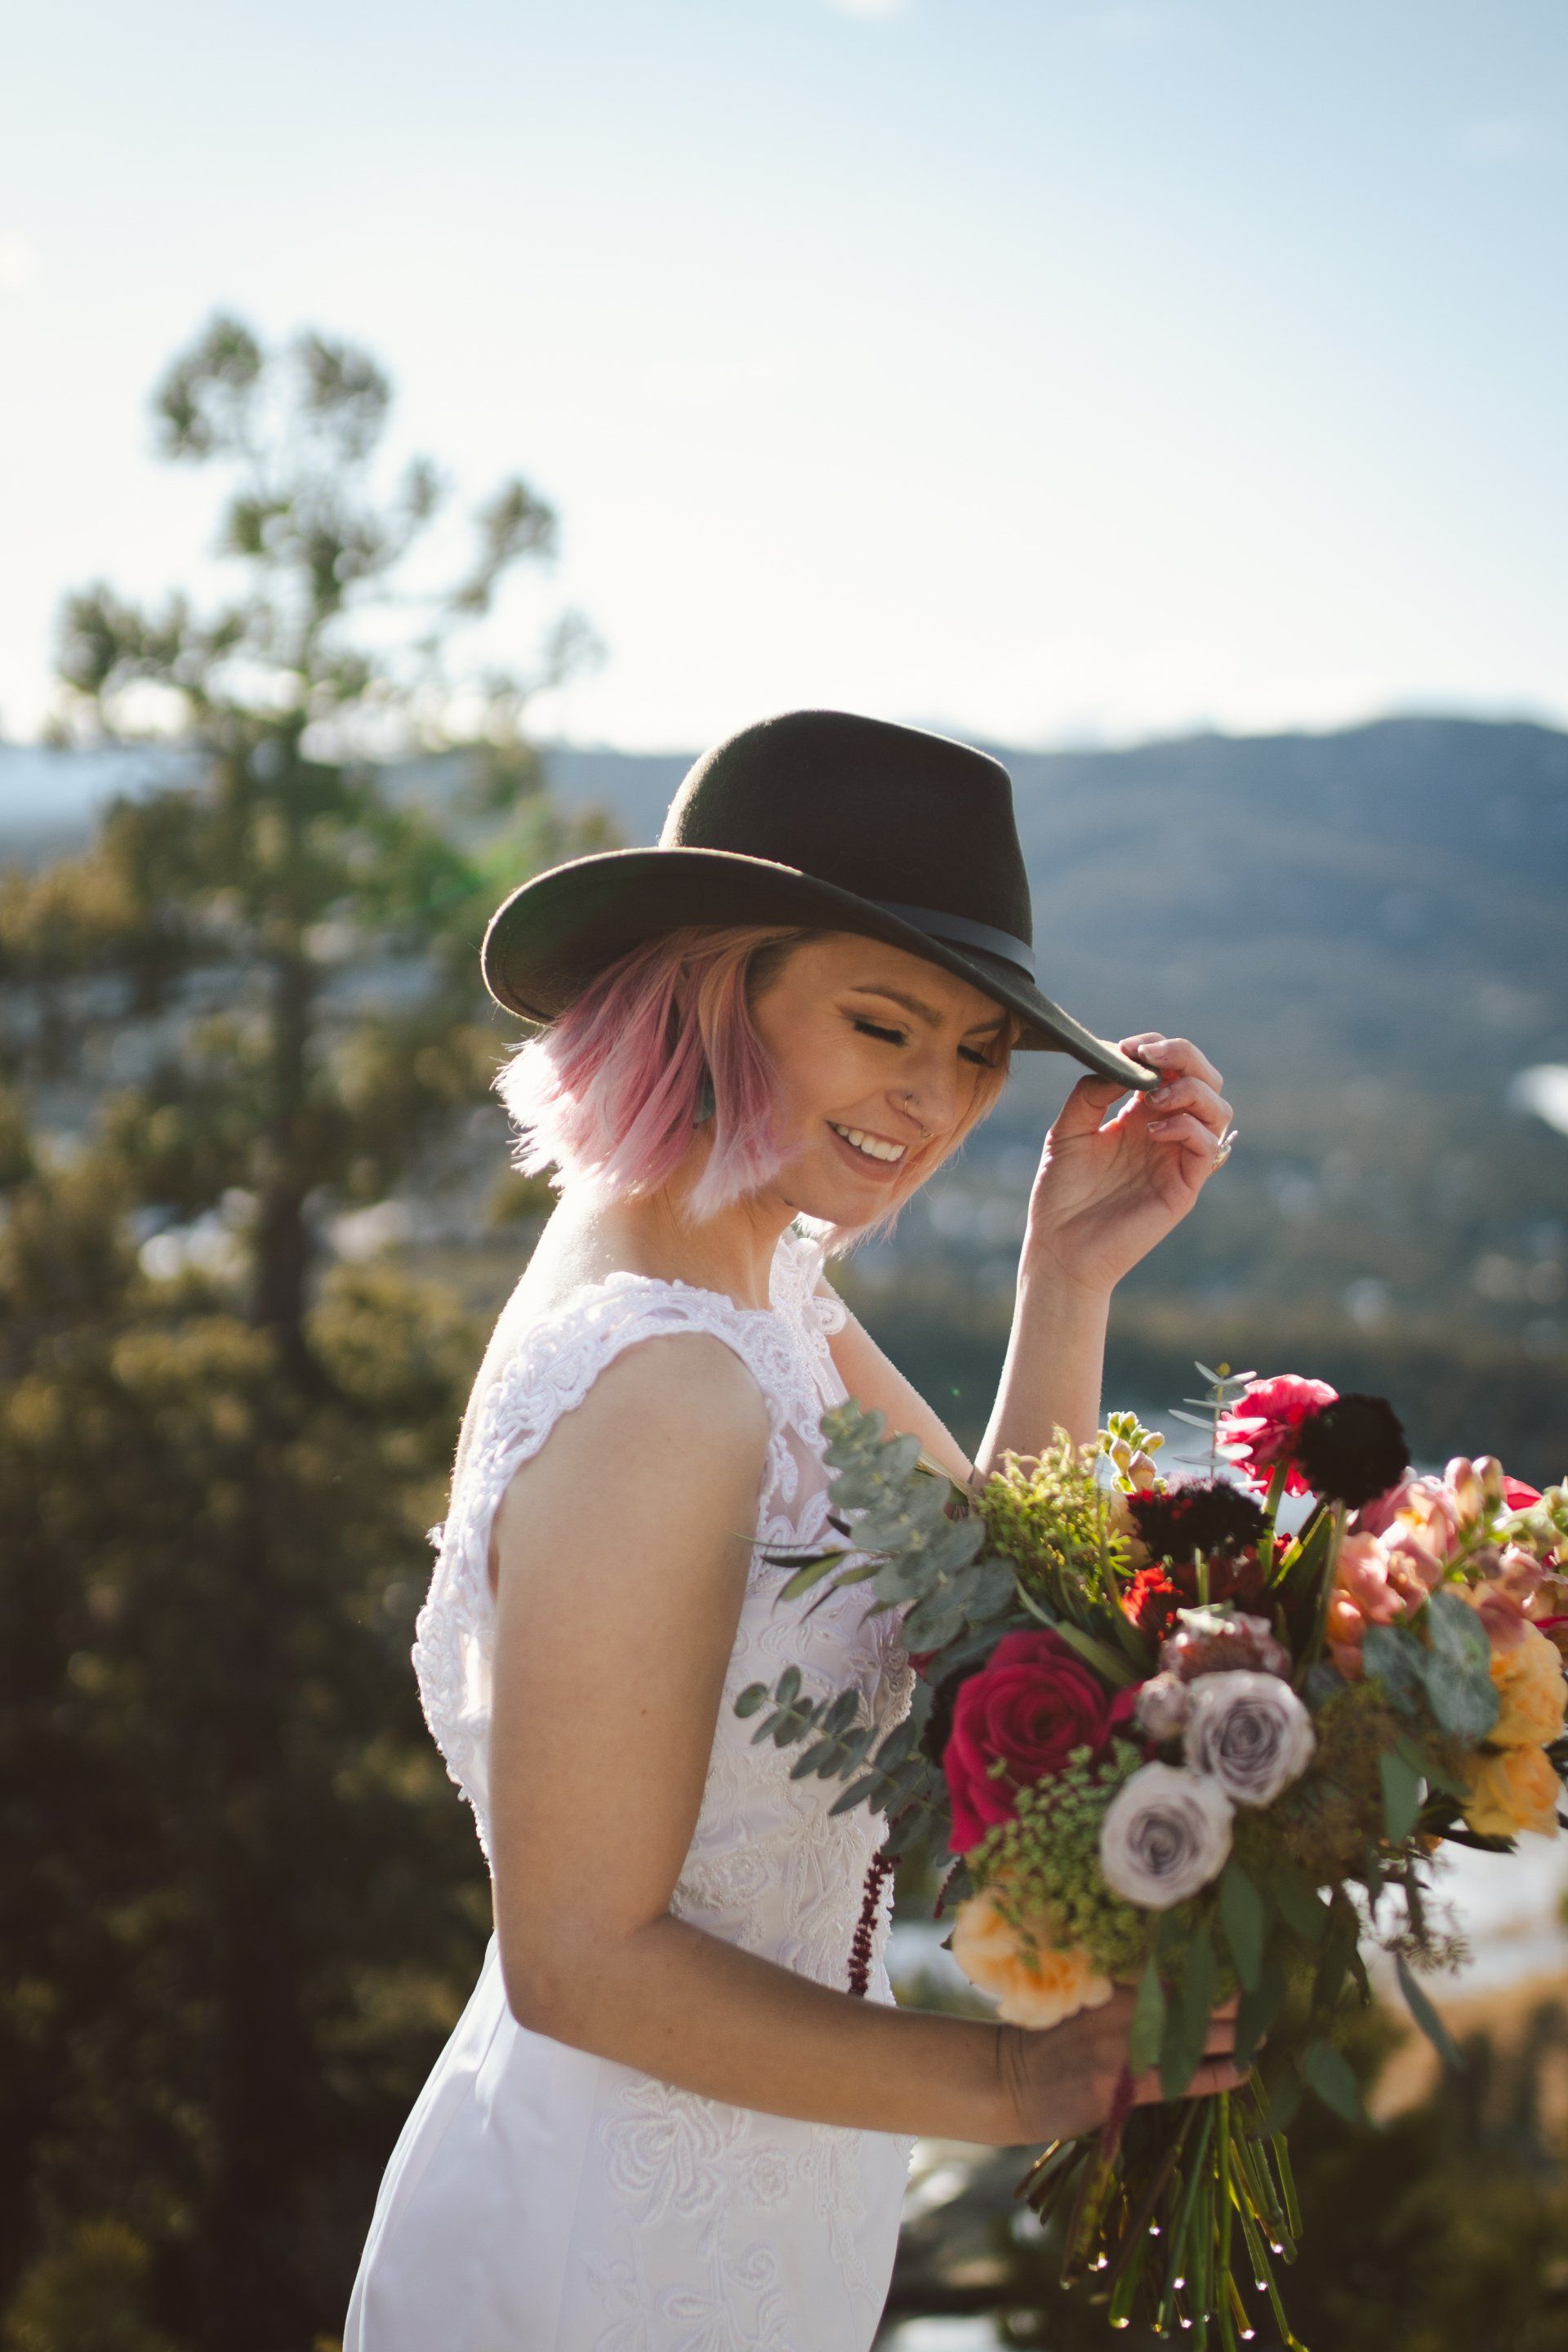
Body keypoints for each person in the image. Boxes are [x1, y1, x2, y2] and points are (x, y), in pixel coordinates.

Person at [344, 710, 1242, 2351]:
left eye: (979, 1052)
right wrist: (1011, 2080)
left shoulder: (759, 1281)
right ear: (710, 981)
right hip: (606, 2247)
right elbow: (580, 1963)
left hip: (779, 2192)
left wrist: (1072, 1277)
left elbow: (995, 1616)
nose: (936, 1098)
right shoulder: (667, 1380)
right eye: (884, 1022)